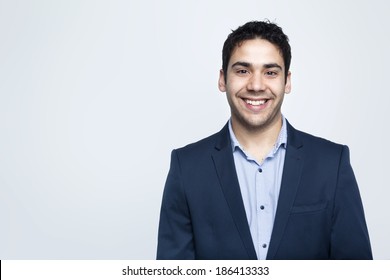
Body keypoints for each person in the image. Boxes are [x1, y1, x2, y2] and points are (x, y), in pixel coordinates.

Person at [156, 21, 372, 260]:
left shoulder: (332, 164)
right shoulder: (186, 167)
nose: (256, 85)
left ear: (286, 81)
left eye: (270, 72)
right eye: (242, 71)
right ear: (222, 79)